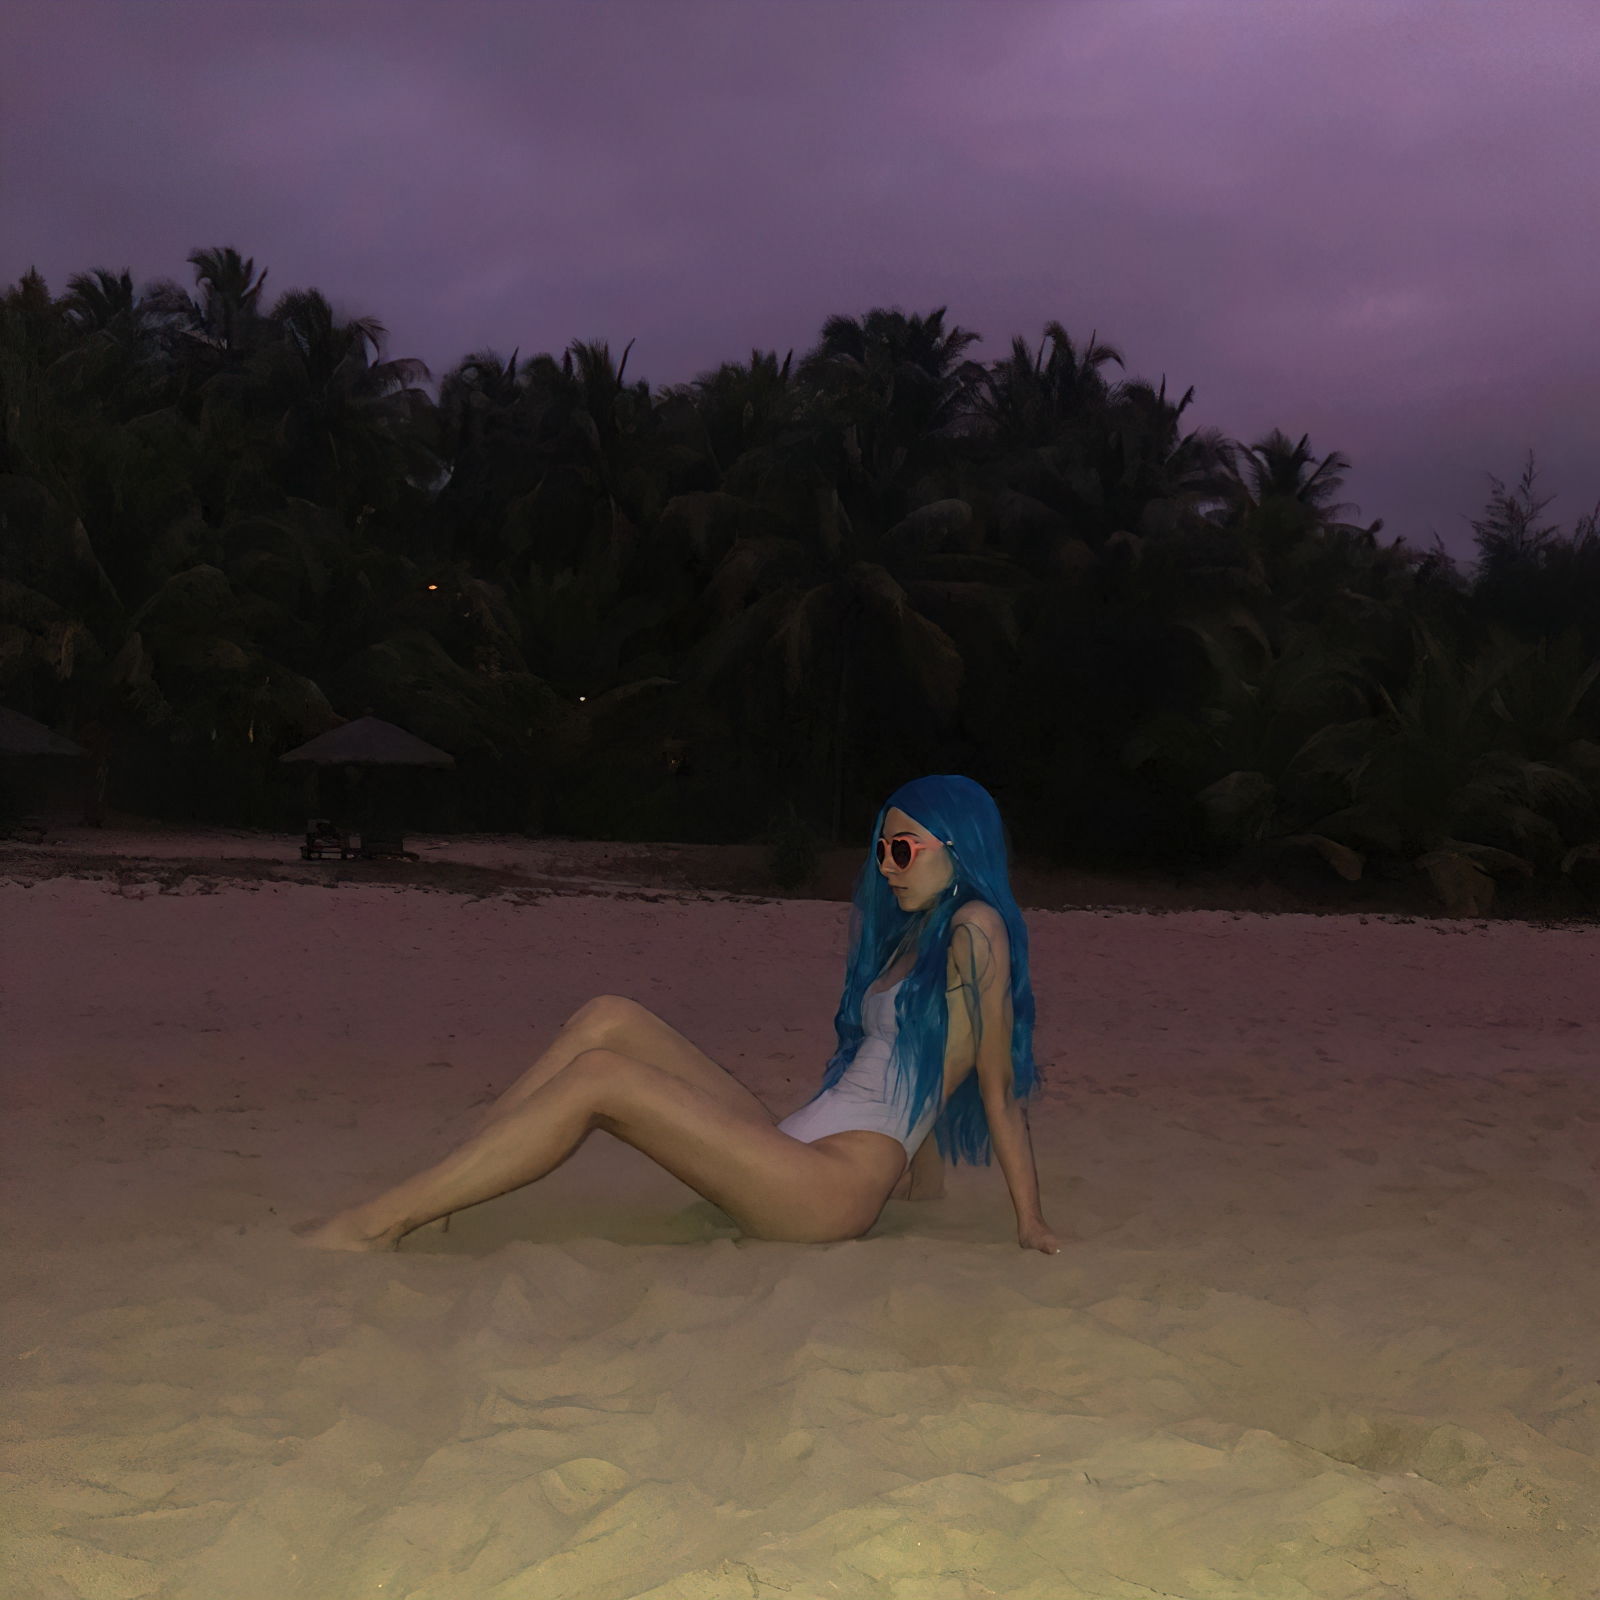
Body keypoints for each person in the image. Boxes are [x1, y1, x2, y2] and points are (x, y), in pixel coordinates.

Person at [297, 774, 1060, 1253]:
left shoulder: (977, 929)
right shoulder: (924, 935)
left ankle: (379, 1222)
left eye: (903, 850)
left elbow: (994, 1087)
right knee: (610, 1016)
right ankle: (449, 1186)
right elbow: (920, 1063)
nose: (886, 867)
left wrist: (1028, 1222)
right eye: (882, 851)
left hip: (825, 1193)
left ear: (958, 847)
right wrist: (921, 1179)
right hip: (794, 1150)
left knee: (602, 1076)